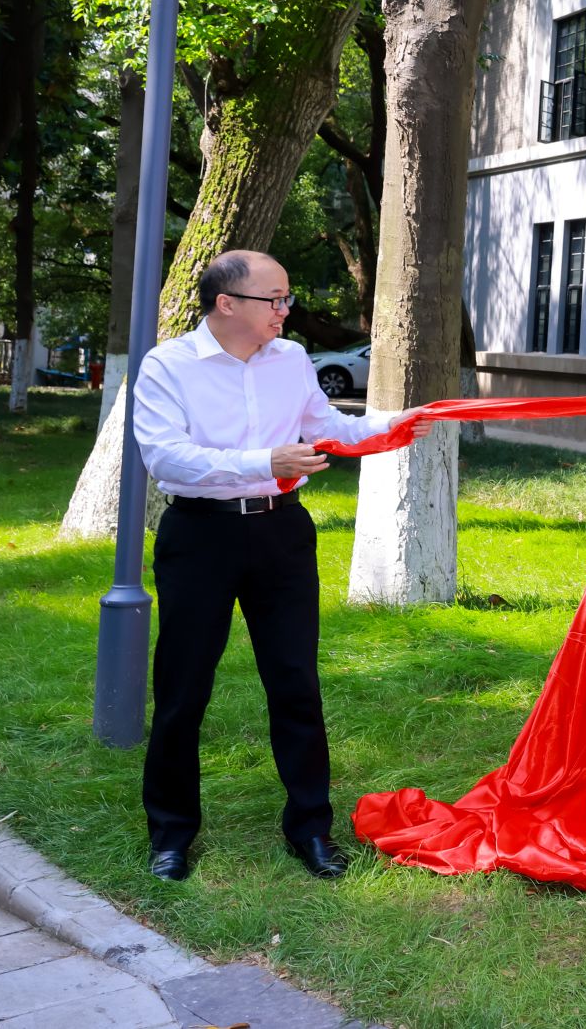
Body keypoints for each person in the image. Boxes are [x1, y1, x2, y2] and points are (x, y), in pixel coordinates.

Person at [131, 250, 428, 881]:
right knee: (183, 687)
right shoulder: (168, 365)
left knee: (295, 683)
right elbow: (166, 457)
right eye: (275, 298)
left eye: (287, 297)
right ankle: (171, 834)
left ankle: (311, 828)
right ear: (226, 303)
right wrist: (265, 461)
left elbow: (325, 425)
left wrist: (398, 424)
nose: (286, 310)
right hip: (200, 536)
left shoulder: (290, 359)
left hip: (281, 533)